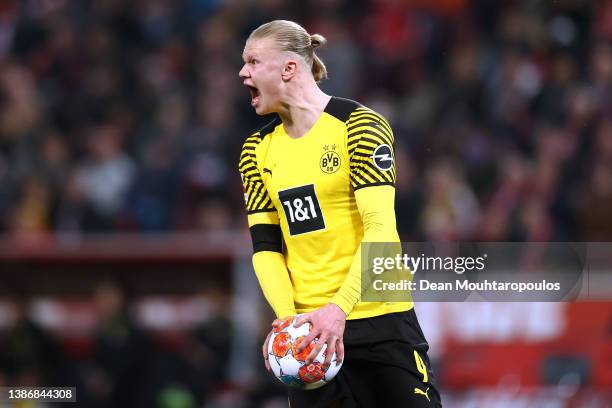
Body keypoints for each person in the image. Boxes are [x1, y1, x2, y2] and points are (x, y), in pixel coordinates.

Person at [238, 20, 442, 407]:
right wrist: (288, 320)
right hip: (309, 340)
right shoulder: (256, 151)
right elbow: (265, 248)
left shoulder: (360, 127)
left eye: (252, 61)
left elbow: (382, 230)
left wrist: (338, 310)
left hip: (379, 320)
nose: (242, 72)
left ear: (288, 68)